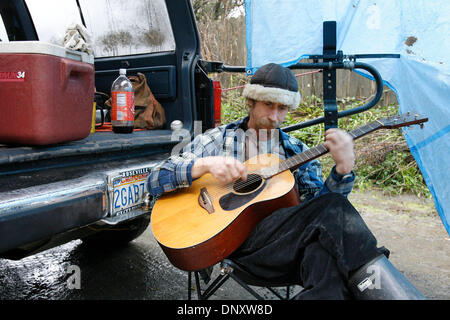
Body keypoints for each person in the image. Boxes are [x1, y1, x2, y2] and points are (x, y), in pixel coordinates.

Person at [147, 63, 424, 300]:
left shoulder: (296, 151)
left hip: (284, 249)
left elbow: (325, 217)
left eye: (282, 108)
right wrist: (204, 165)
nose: (275, 117)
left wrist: (342, 169)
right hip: (234, 247)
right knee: (331, 223)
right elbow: (154, 178)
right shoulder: (218, 140)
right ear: (251, 102)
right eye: (268, 105)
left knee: (324, 249)